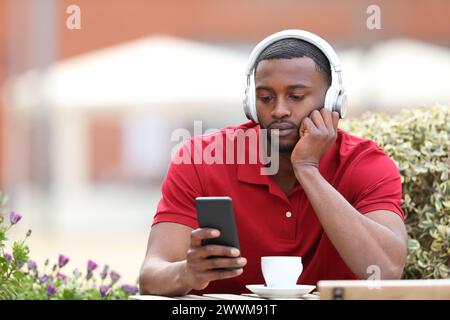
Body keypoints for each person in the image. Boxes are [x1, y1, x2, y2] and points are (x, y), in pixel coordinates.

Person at [139, 30, 407, 296]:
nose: (279, 110)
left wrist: (307, 169)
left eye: (296, 96)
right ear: (250, 104)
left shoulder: (366, 163)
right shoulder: (201, 159)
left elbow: (385, 270)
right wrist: (188, 273)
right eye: (266, 98)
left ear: (333, 102)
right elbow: (151, 275)